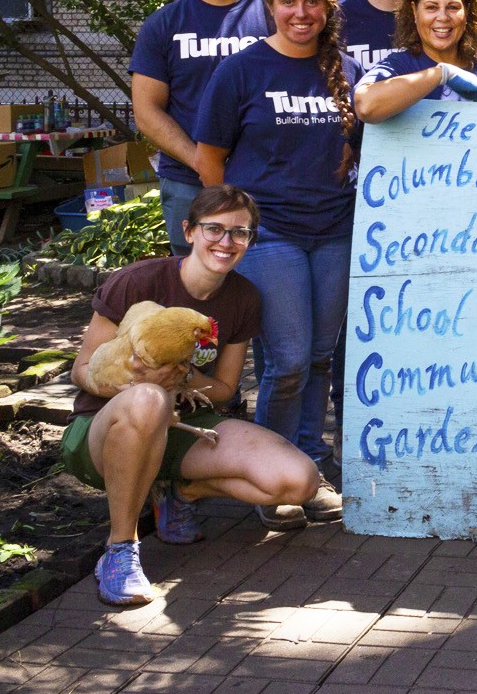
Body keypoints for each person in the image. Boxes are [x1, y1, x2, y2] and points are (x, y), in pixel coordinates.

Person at [66, 185, 324, 606]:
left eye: (240, 233)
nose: (226, 242)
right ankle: (120, 551)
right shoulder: (138, 281)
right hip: (102, 429)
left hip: (181, 425)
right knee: (148, 400)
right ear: (188, 231)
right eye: (214, 229)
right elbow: (81, 370)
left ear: (251, 241)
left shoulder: (243, 297)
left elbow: (223, 389)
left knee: (299, 481)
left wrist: (181, 380)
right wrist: (135, 383)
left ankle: (180, 491)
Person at [193, 0, 358, 531]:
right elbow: (209, 156)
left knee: (318, 356)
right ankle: (272, 477)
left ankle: (308, 471)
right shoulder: (242, 69)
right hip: (270, 234)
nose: (301, 12)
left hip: (336, 230)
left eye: (312, 1)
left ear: (327, 6)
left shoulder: (346, 69)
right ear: (270, 6)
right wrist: (232, 229)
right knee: (287, 361)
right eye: (288, 1)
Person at [130, 0, 270, 255]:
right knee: (194, 290)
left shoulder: (273, 17)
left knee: (269, 282)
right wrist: (204, 163)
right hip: (188, 183)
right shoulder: (164, 24)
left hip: (268, 181)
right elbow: (146, 111)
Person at [354, 0, 477, 122]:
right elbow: (365, 107)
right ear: (414, 12)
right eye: (431, 7)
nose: (443, 17)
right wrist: (441, 74)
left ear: (466, 13)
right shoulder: (400, 66)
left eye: (453, 7)